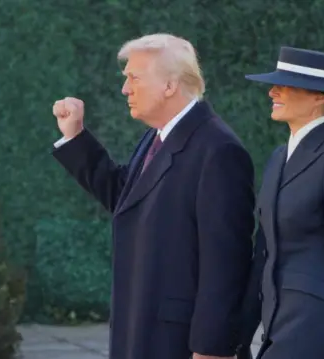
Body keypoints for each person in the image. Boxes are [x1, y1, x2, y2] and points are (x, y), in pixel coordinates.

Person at [51, 33, 256, 359]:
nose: (125, 89)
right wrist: (75, 137)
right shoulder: (157, 137)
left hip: (180, 342)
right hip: (144, 331)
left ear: (170, 85)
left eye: (134, 78)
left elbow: (226, 263)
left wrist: (212, 349)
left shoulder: (219, 150)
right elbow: (126, 196)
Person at [237, 46, 324, 359]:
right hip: (276, 318)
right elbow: (264, 249)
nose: (272, 92)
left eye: (285, 85)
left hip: (314, 322)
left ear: (319, 97)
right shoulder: (278, 158)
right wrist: (239, 333)